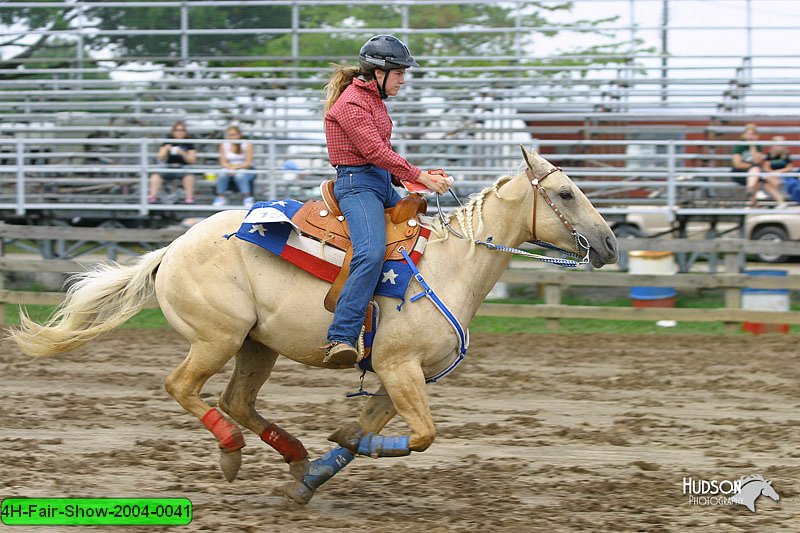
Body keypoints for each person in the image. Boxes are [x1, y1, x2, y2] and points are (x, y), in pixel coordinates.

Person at [321, 34, 451, 367]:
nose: (404, 80)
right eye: (399, 73)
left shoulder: (373, 99)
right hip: (356, 185)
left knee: (421, 231)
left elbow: (382, 155)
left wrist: (412, 179)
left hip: (378, 181)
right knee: (371, 252)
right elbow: (375, 152)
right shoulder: (351, 104)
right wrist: (421, 177)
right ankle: (341, 335)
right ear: (379, 73)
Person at [730, 123, 784, 207]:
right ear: (744, 134)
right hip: (740, 173)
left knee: (761, 178)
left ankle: (779, 203)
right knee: (758, 174)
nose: (750, 136)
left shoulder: (757, 146)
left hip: (754, 173)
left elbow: (757, 161)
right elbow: (738, 164)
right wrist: (752, 166)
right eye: (748, 134)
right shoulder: (739, 145)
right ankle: (753, 196)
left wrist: (753, 146)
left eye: (753, 134)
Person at [149, 121, 196, 204]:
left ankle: (189, 198)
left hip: (183, 168)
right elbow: (160, 157)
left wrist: (183, 153)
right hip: (168, 167)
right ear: (173, 131)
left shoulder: (189, 143)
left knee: (189, 174)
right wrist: (166, 149)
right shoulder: (167, 141)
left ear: (185, 132)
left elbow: (192, 161)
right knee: (156, 174)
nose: (179, 132)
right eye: (177, 130)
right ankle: (153, 197)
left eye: (182, 130)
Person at [213, 125, 256, 208]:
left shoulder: (246, 144)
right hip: (229, 168)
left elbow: (248, 162)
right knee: (222, 174)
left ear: (239, 134)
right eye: (230, 135)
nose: (232, 137)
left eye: (234, 134)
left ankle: (247, 197)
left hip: (245, 169)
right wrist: (230, 168)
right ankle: (220, 197)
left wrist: (235, 168)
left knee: (240, 175)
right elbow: (223, 162)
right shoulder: (224, 145)